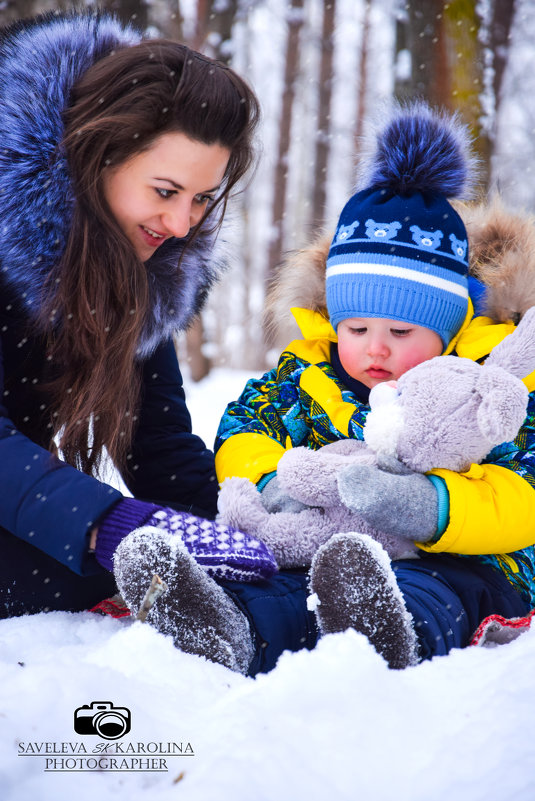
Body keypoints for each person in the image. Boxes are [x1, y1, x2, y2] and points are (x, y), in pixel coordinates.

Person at [214, 104, 535, 669]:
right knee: (289, 582)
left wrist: (429, 507)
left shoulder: (492, 388)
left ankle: (390, 630)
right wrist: (276, 481)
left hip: (469, 558)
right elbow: (242, 429)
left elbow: (523, 494)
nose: (375, 348)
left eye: (401, 331)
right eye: (356, 329)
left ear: (450, 327)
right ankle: (232, 625)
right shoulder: (305, 374)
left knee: (436, 589)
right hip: (323, 546)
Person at [0, 10, 279, 640]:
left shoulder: (140, 268)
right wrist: (106, 524)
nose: (181, 223)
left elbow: (159, 449)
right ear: (100, 156)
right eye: (165, 190)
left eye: (202, 199)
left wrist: (253, 533)